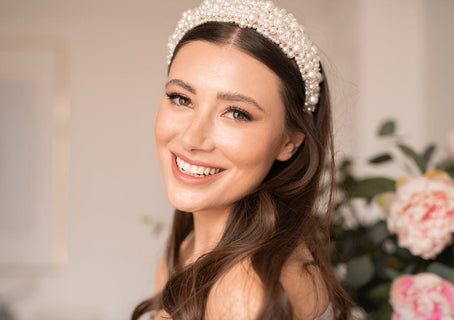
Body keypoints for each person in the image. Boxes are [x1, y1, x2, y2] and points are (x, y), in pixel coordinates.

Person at [132, 0, 353, 319]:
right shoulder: (186, 253)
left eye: (237, 113)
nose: (192, 139)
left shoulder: (248, 290)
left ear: (290, 141)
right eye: (182, 99)